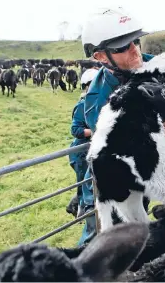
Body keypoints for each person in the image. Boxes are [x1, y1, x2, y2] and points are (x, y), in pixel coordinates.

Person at [75, 7, 165, 246]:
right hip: (121, 175)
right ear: (101, 57)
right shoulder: (99, 101)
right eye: (123, 47)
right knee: (112, 238)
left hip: (151, 169)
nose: (135, 50)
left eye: (136, 41)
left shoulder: (152, 65)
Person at [66, 69, 99, 219]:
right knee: (84, 183)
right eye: (93, 84)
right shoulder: (83, 105)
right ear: (86, 86)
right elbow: (75, 130)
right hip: (81, 153)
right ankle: (82, 212)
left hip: (91, 150)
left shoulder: (100, 102)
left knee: (90, 182)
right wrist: (96, 131)